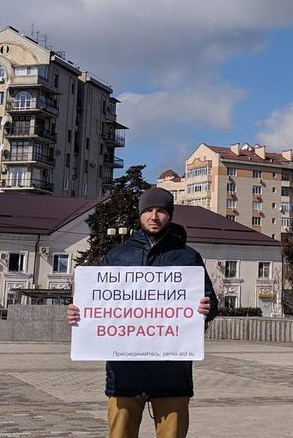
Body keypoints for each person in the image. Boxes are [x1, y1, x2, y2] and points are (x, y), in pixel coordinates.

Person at [67, 187, 217, 438]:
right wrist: (78, 314)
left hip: (172, 373)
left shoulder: (188, 258)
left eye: (160, 210)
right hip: (124, 373)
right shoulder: (117, 256)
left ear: (170, 215)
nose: (154, 216)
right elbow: (99, 304)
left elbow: (210, 301)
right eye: (148, 210)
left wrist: (206, 307)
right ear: (139, 215)